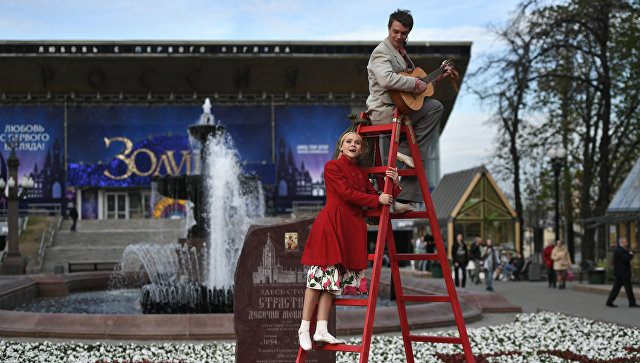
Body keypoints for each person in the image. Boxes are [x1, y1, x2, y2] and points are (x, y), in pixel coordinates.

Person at [298, 132, 402, 351]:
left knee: (331, 282)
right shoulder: (332, 166)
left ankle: (321, 329)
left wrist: (395, 184)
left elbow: (379, 199)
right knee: (318, 278)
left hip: (350, 230)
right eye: (349, 141)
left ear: (361, 150)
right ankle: (303, 328)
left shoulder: (361, 173)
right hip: (332, 225)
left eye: (357, 142)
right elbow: (346, 194)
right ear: (341, 147)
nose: (353, 144)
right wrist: (377, 198)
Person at [365, 9, 453, 213]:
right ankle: (404, 154)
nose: (399, 36)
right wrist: (414, 83)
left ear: (408, 33)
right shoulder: (381, 51)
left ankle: (405, 194)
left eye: (403, 33)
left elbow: (415, 90)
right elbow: (387, 79)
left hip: (400, 111)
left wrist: (435, 78)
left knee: (430, 114)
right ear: (388, 28)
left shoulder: (401, 54)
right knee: (434, 109)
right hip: (384, 112)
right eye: (395, 31)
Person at [606, 237, 639, 308]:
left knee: (617, 288)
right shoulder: (619, 250)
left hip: (621, 273)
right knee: (628, 288)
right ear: (622, 242)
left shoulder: (621, 249)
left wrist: (629, 254)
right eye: (625, 242)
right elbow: (625, 260)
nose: (627, 243)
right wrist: (630, 255)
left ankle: (609, 301)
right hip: (623, 273)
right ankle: (632, 303)